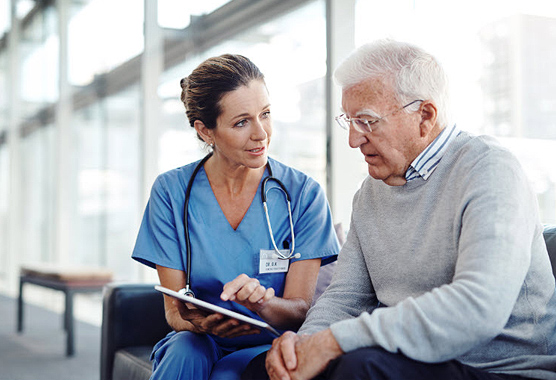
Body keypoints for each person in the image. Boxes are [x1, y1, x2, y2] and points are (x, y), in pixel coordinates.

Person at [243, 39, 556, 380]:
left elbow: (479, 307)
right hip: (407, 361)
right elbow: (345, 298)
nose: (353, 139)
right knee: (263, 371)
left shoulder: (489, 169)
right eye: (348, 120)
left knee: (359, 369)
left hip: (498, 369)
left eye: (366, 121)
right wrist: (302, 350)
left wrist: (335, 342)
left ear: (425, 116)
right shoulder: (370, 193)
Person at [131, 54, 340, 380]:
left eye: (265, 114)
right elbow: (174, 312)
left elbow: (300, 309)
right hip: (200, 338)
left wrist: (262, 305)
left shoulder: (303, 194)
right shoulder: (171, 191)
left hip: (269, 341)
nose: (261, 134)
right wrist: (196, 321)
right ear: (205, 131)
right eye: (242, 122)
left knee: (230, 374)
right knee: (184, 352)